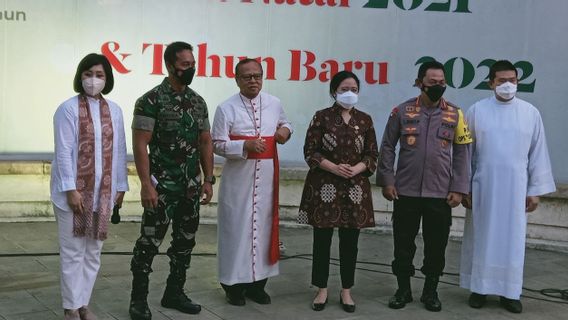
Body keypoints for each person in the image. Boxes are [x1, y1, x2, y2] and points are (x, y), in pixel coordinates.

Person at [459, 60, 556, 314]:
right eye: (501, 80)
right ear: (490, 83)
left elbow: (537, 153)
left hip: (516, 189)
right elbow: (466, 153)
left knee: (511, 241)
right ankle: (478, 288)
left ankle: (510, 292)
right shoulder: (476, 111)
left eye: (512, 80)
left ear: (518, 82)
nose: (507, 85)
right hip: (484, 186)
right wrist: (464, 187)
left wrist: (535, 190)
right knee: (482, 236)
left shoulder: (530, 113)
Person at [376, 60, 472, 312]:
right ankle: (403, 289)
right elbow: (387, 146)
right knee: (403, 243)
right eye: (432, 83)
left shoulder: (456, 113)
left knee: (436, 244)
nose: (437, 87)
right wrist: (387, 180)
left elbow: (463, 152)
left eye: (441, 83)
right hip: (405, 191)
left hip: (440, 193)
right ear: (420, 83)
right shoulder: (401, 111)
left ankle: (431, 291)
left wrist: (460, 187)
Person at [128, 41, 214, 320]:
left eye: (193, 63)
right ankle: (138, 300)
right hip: (161, 188)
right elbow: (140, 145)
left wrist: (208, 179)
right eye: (185, 64)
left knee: (185, 243)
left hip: (190, 188)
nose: (191, 69)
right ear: (170, 66)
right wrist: (146, 184)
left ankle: (174, 292)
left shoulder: (198, 102)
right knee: (148, 244)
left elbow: (205, 142)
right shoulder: (150, 100)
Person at [51, 53, 129, 320]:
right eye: (88, 74)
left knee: (93, 251)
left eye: (99, 75)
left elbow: (119, 151)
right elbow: (63, 152)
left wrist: (120, 185)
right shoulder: (68, 108)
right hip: (73, 194)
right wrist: (70, 189)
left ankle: (83, 304)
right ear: (79, 76)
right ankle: (70, 308)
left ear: (107, 79)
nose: (93, 80)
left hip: (102, 194)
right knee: (73, 252)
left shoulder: (115, 110)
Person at [211, 58, 292, 306]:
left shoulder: (274, 103)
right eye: (247, 76)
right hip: (239, 180)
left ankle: (258, 285)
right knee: (237, 231)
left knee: (263, 230)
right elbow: (217, 144)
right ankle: (233, 286)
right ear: (237, 79)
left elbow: (286, 123)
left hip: (266, 180)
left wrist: (284, 132)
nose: (253, 80)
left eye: (257, 75)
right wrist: (244, 145)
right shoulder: (226, 108)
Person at [298, 70, 379, 313]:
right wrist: (334, 167)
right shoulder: (321, 117)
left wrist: (357, 168)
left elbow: (372, 154)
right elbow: (310, 151)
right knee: (322, 240)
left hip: (355, 188)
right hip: (325, 187)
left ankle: (346, 290)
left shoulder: (365, 120)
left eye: (354, 89)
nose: (349, 93)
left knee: (350, 241)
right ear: (334, 91)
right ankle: (321, 289)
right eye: (344, 89)